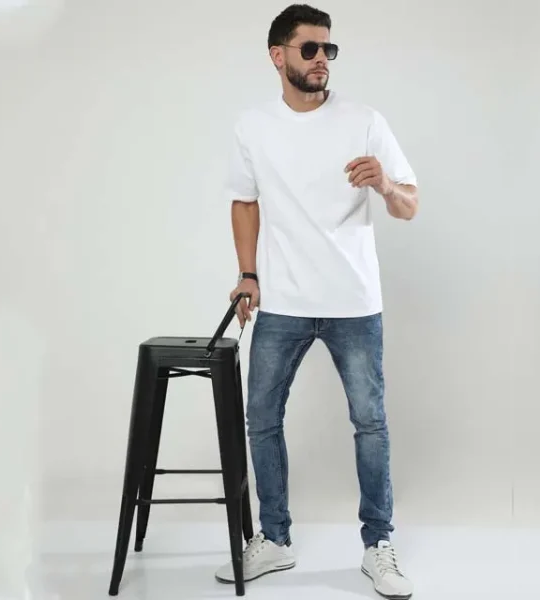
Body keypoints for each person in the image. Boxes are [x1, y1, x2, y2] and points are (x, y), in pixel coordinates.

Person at [215, 4, 418, 598]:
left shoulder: (364, 121)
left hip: (354, 301)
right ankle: (275, 539)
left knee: (370, 423)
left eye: (329, 48)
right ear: (278, 56)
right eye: (310, 48)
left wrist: (384, 183)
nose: (322, 59)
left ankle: (378, 545)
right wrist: (248, 274)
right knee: (262, 419)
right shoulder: (253, 126)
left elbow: (409, 205)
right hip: (283, 300)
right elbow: (244, 201)